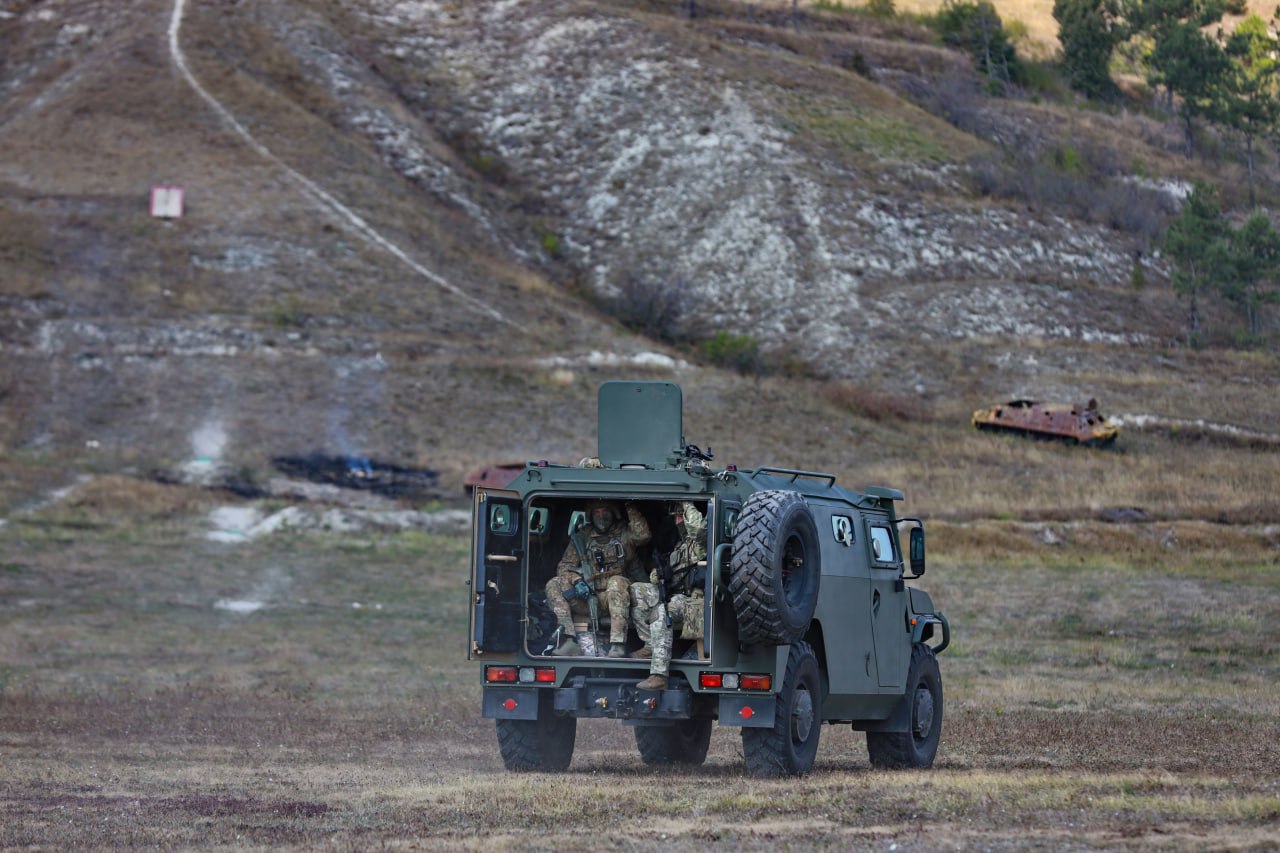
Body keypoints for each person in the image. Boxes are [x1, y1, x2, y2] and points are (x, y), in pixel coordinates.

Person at [545, 500, 651, 657]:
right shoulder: (583, 537)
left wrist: (630, 505)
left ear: (613, 514)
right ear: (590, 516)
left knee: (617, 581)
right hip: (587, 598)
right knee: (553, 584)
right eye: (597, 513)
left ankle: (617, 645)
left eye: (605, 512)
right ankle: (568, 640)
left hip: (618, 600)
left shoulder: (624, 534)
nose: (601, 517)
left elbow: (643, 536)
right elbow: (563, 567)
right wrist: (575, 579)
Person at [632, 501, 707, 690]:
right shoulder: (681, 546)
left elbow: (698, 529)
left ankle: (659, 675)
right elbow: (661, 575)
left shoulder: (702, 542)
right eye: (675, 517)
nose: (677, 520)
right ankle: (650, 643)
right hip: (676, 594)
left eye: (680, 516)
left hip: (694, 600)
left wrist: (686, 504)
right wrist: (659, 574)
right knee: (637, 590)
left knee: (662, 614)